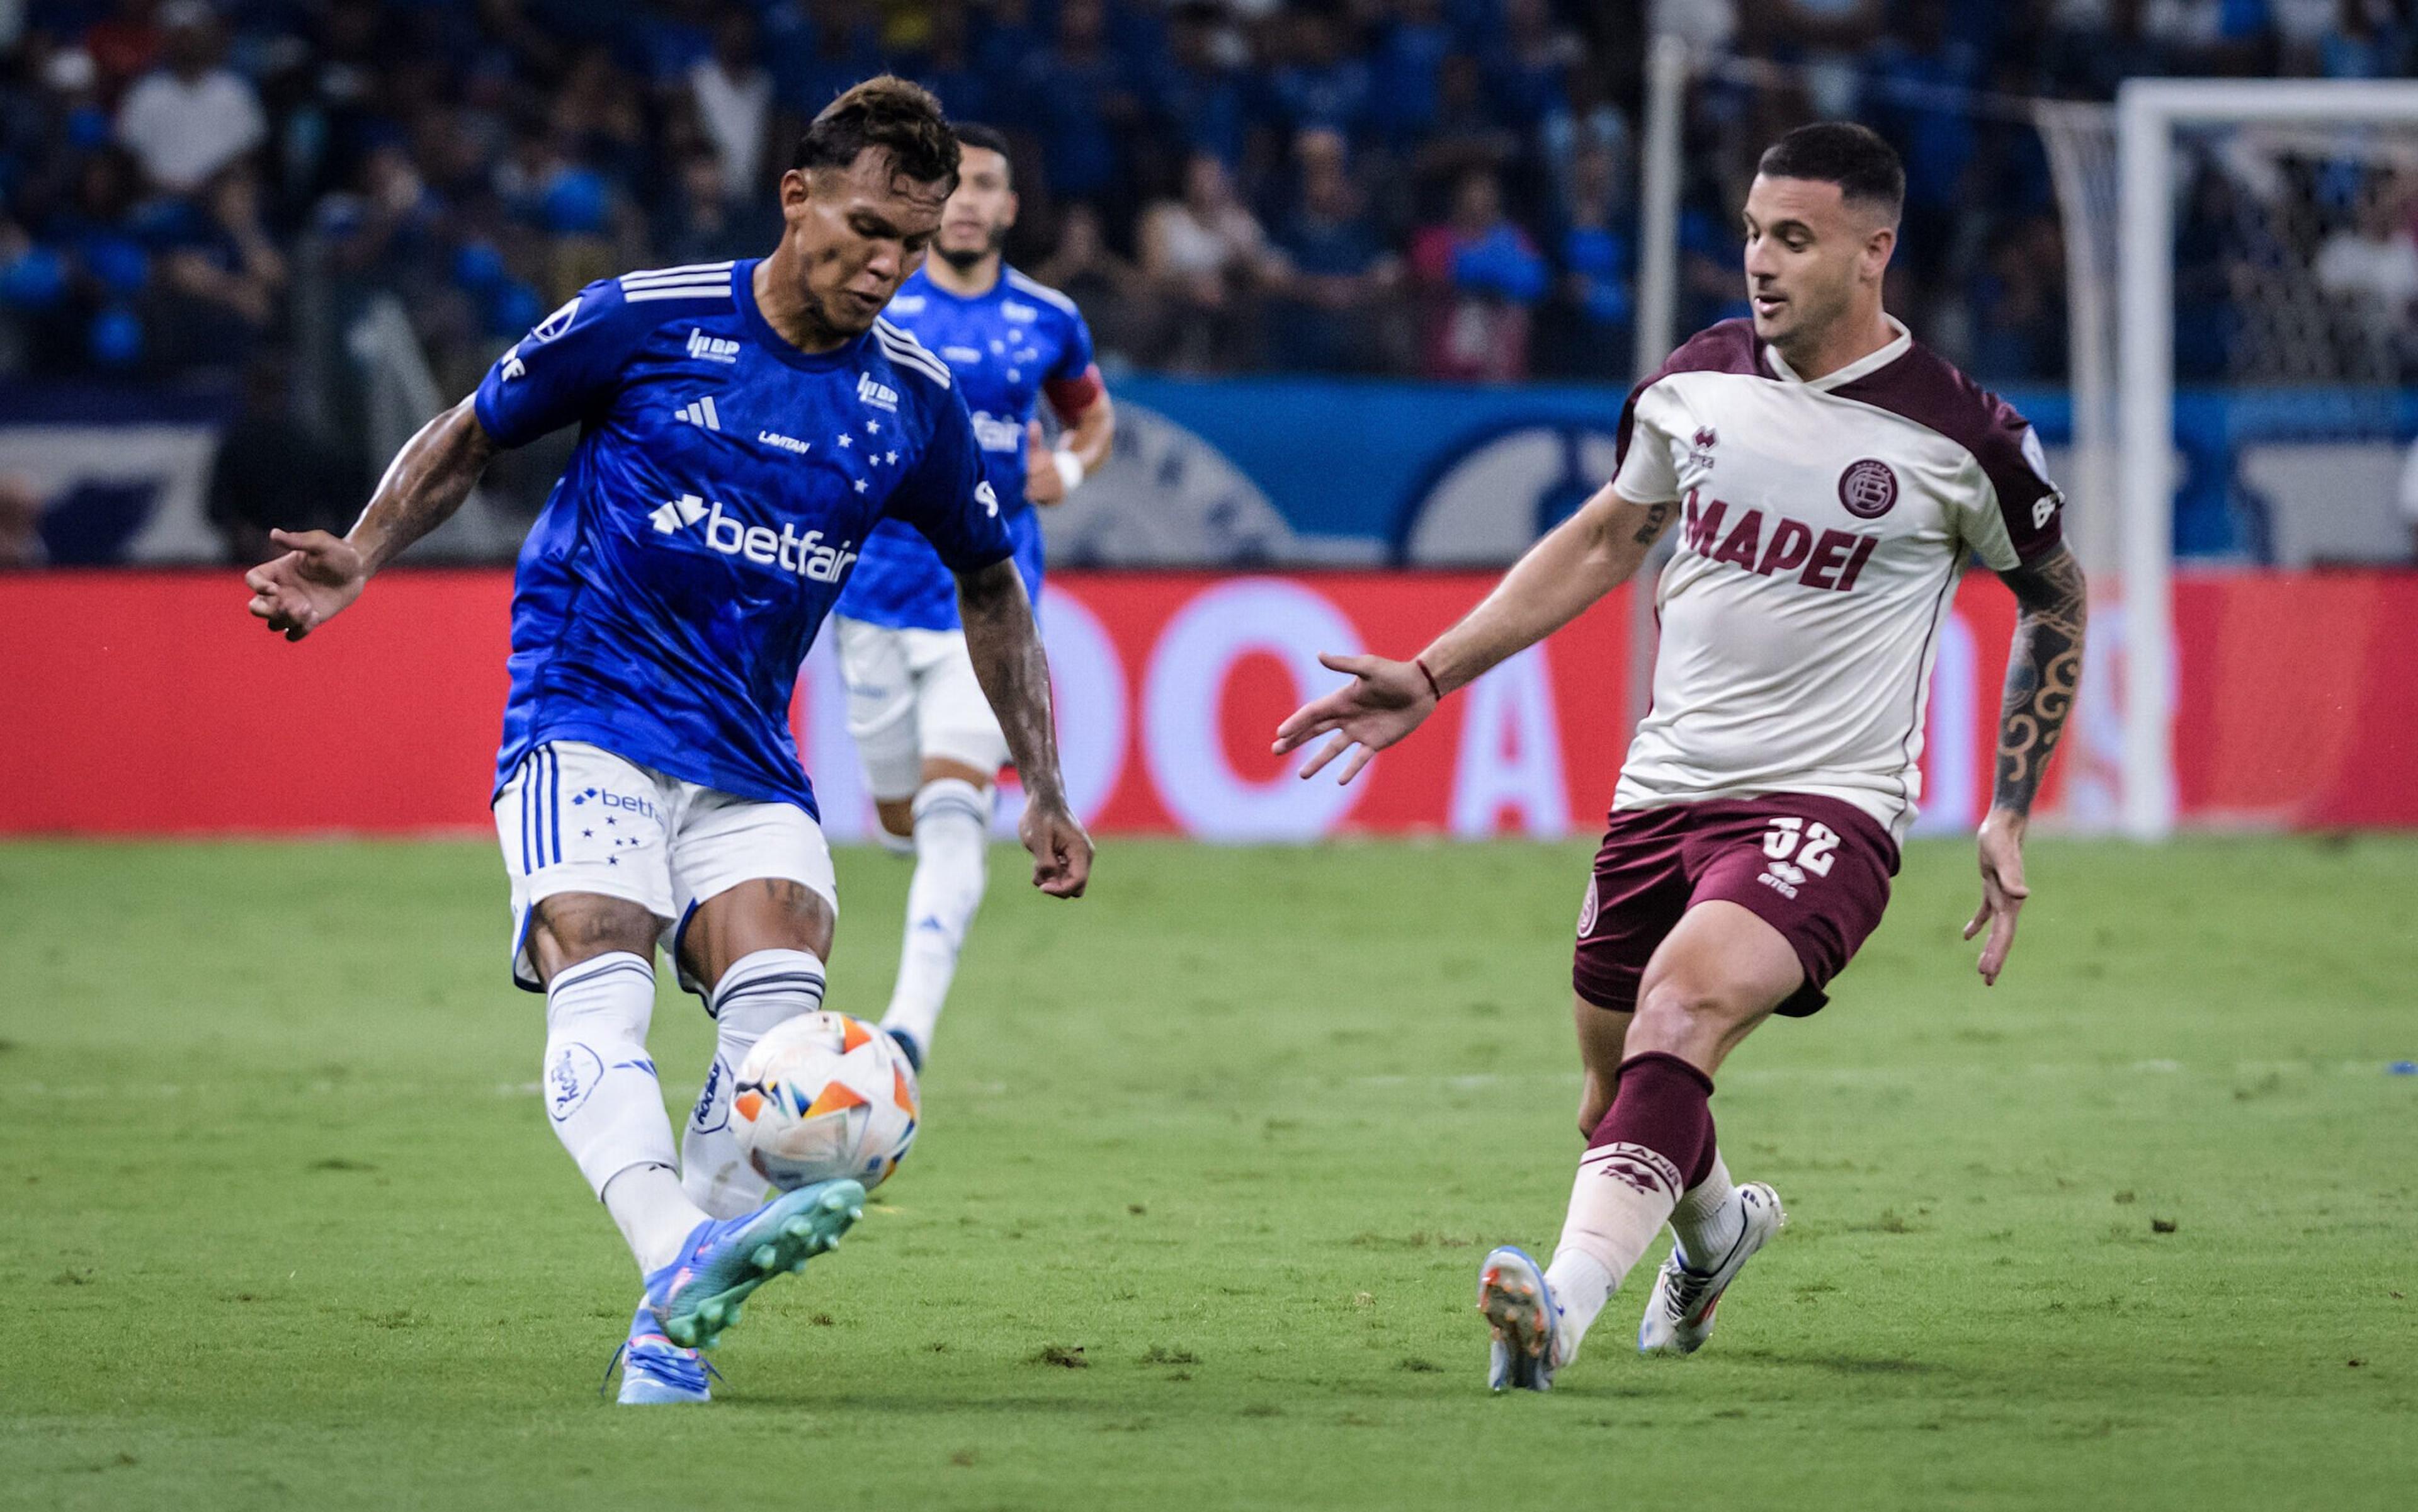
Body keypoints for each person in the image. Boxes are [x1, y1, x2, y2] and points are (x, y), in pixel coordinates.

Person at [242, 78, 1093, 1406]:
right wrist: (360, 550)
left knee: (778, 1041)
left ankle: (671, 1312)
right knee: (599, 950)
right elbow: (475, 431)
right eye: (868, 226)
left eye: (913, 245)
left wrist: (1041, 782)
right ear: (796, 195)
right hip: (584, 708)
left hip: (747, 748)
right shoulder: (647, 317)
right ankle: (679, 1247)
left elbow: (993, 581)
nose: (888, 264)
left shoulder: (910, 400)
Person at [1274, 123, 2086, 1392]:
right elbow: (1609, 536)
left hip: (1828, 806)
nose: (1762, 262)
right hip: (1663, 792)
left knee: (1686, 1002)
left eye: (1796, 239)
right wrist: (1431, 673)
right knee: (1618, 1099)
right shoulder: (1691, 385)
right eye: (1756, 232)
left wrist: (2008, 806)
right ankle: (1715, 1233)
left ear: (1877, 251)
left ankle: (1561, 1307)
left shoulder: (1961, 436)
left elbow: (2055, 599)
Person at [830, 123, 1114, 1072]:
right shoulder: (876, 300)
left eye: (986, 184)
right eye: (952, 185)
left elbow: (1092, 417)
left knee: (956, 804)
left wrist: (1064, 476)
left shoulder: (1047, 318)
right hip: (870, 596)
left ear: (1009, 207)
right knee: (903, 816)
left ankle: (906, 1028)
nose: (966, 202)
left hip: (986, 602)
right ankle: (928, 884)